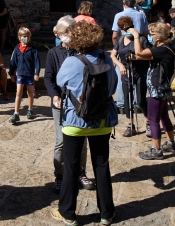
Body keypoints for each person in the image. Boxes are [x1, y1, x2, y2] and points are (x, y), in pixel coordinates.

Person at [52, 21, 117, 226]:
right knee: (101, 165)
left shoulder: (72, 62)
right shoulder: (106, 60)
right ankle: (106, 213)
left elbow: (61, 82)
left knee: (71, 167)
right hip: (102, 120)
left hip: (75, 121)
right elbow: (113, 87)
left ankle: (68, 213)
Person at [45, 16, 95, 194]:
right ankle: (60, 175)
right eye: (66, 32)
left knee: (81, 139)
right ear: (58, 34)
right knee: (61, 141)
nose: (70, 35)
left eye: (72, 31)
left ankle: (80, 172)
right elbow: (49, 78)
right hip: (60, 102)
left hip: (78, 102)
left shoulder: (80, 52)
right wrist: (54, 96)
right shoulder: (53, 53)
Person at [129, 22, 175, 160]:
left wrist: (136, 36)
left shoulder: (162, 50)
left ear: (158, 37)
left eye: (151, 34)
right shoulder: (167, 48)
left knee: (153, 120)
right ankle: (171, 143)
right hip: (163, 88)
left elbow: (139, 52)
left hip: (157, 89)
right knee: (164, 117)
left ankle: (156, 150)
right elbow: (144, 56)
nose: (150, 37)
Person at [110, 16, 150, 138]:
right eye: (124, 29)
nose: (126, 31)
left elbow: (149, 55)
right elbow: (113, 55)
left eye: (129, 28)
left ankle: (149, 122)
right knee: (127, 100)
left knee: (141, 100)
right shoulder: (121, 40)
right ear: (121, 29)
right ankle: (130, 124)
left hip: (139, 73)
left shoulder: (141, 39)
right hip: (126, 74)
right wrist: (120, 65)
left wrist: (137, 58)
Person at [111, 0, 148, 114]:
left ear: (124, 3)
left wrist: (117, 46)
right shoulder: (141, 15)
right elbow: (145, 32)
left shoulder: (118, 15)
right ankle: (137, 104)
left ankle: (122, 104)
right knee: (137, 80)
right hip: (138, 44)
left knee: (123, 78)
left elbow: (115, 35)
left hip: (124, 47)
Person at [9, 27, 40, 124]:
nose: (26, 38)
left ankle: (30, 110)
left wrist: (37, 73)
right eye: (24, 36)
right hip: (20, 74)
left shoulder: (32, 48)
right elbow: (13, 62)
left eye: (28, 36)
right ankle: (16, 113)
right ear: (19, 37)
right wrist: (11, 73)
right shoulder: (17, 49)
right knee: (18, 93)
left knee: (30, 93)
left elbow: (37, 61)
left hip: (29, 74)